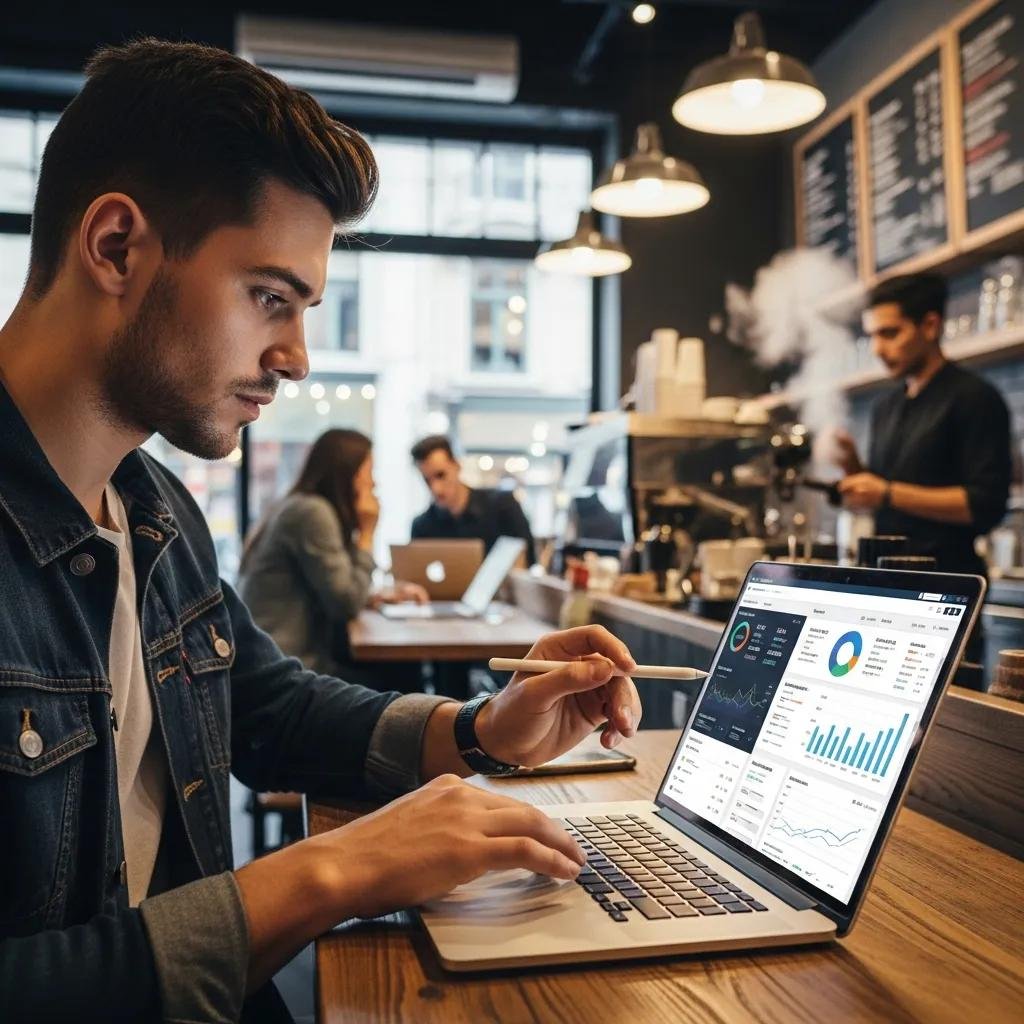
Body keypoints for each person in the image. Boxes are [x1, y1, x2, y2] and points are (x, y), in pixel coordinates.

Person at [0, 39, 641, 1024]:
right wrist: (329, 871)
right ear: (117, 247)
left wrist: (480, 729)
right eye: (270, 298)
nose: (297, 357)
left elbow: (271, 710)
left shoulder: (159, 512)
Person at [832, 273, 1012, 662]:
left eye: (890, 333)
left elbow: (984, 505)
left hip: (947, 593)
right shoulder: (886, 407)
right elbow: (885, 496)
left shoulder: (975, 398)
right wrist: (852, 466)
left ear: (930, 325)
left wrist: (886, 492)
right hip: (884, 587)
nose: (878, 348)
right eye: (872, 336)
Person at [238, 428, 426, 690]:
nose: (373, 484)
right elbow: (346, 602)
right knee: (402, 677)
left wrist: (376, 596)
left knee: (397, 671)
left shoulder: (299, 504)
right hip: (285, 668)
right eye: (368, 474)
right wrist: (367, 534)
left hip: (276, 657)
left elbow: (331, 587)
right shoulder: (313, 512)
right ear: (347, 474)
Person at [410, 434, 537, 564]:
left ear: (457, 465)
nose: (436, 488)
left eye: (440, 475)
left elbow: (528, 560)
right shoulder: (421, 526)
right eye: (427, 480)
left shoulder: (503, 506)